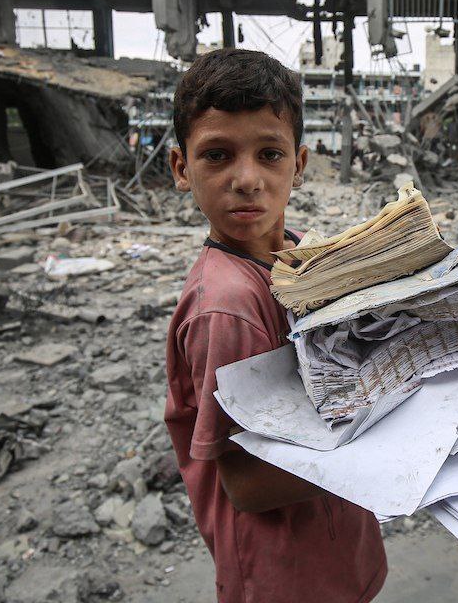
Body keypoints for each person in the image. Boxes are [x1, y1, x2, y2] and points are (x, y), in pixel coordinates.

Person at [163, 48, 387, 601]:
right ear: (181, 167)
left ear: (300, 165)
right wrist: (405, 438)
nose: (247, 179)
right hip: (283, 574)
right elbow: (247, 484)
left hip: (338, 544)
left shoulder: (302, 256)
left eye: (270, 154)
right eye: (217, 155)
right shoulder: (228, 306)